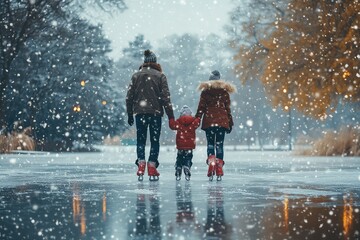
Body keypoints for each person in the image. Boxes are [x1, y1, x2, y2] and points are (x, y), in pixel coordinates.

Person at [126, 49, 174, 181]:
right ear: (155, 63)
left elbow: (129, 97)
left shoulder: (136, 76)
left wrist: (130, 113)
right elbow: (166, 98)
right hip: (155, 114)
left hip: (140, 113)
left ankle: (141, 163)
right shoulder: (160, 76)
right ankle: (152, 165)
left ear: (145, 62)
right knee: (154, 140)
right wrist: (171, 116)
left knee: (140, 140)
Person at [195, 70, 236, 181]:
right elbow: (228, 109)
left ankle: (211, 161)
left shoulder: (205, 92)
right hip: (222, 122)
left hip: (209, 121)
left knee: (210, 144)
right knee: (219, 145)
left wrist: (197, 119)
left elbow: (201, 108)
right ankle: (219, 168)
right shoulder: (224, 92)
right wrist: (230, 123)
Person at [169, 105, 200, 181]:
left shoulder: (179, 122)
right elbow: (198, 122)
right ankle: (187, 166)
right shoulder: (193, 122)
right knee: (188, 157)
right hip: (189, 146)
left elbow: (172, 125)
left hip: (180, 145)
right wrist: (198, 116)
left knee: (179, 157)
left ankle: (179, 167)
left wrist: (171, 118)